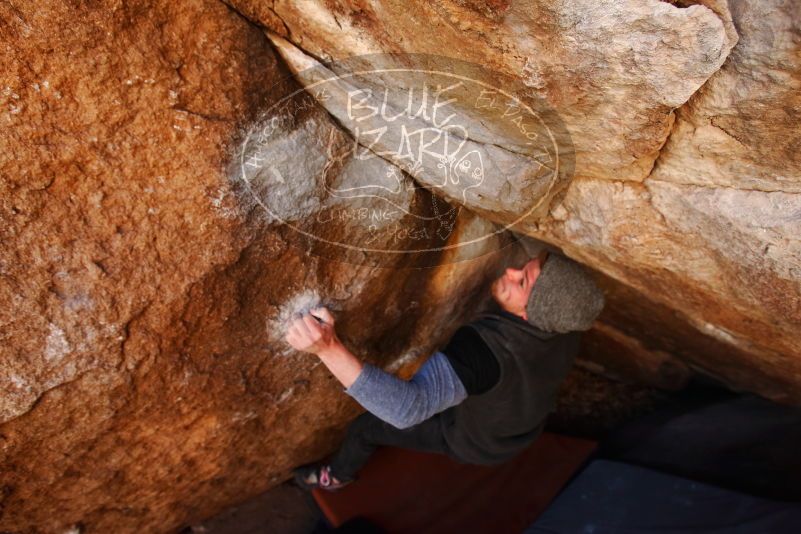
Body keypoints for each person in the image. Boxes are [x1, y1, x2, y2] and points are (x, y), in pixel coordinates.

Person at [284, 249, 605, 491]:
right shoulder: (568, 324)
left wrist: (328, 348)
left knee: (365, 429)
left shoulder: (487, 352)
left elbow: (407, 408)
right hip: (521, 426)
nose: (509, 271)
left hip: (472, 441)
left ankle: (336, 477)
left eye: (522, 281)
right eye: (524, 268)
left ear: (530, 315)